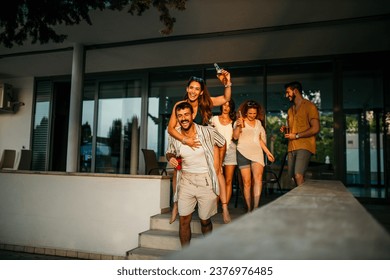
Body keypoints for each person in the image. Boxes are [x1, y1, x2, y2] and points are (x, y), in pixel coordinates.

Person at [167, 71, 232, 224]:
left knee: (218, 171)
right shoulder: (180, 106)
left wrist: (227, 83)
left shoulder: (206, 102)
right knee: (177, 172)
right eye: (191, 88)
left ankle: (225, 207)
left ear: (201, 91)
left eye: (197, 89)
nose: (193, 91)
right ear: (186, 88)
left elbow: (226, 98)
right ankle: (176, 205)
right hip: (185, 142)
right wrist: (184, 140)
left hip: (206, 142)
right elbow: (170, 129)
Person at [166, 102, 226, 246]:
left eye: (186, 114)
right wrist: (171, 158)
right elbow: (169, 151)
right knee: (184, 220)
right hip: (186, 181)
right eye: (180, 116)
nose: (183, 118)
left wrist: (218, 164)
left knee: (205, 220)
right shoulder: (175, 134)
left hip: (205, 181)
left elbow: (222, 142)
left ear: (192, 115)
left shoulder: (207, 131)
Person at [233, 100, 274, 212]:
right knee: (246, 182)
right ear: (246, 112)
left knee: (258, 179)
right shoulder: (239, 121)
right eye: (250, 113)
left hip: (256, 153)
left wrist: (267, 152)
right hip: (242, 152)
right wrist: (238, 126)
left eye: (254, 113)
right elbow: (235, 137)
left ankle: (255, 207)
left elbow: (259, 139)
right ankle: (249, 208)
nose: (252, 116)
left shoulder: (258, 123)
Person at [280, 81, 320, 186]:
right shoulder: (290, 110)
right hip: (291, 147)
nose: (286, 95)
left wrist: (296, 135)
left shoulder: (310, 106)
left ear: (295, 91)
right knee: (293, 177)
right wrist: (286, 130)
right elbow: (293, 129)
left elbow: (315, 128)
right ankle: (299, 198)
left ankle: (303, 201)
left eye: (288, 92)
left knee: (298, 174)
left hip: (304, 145)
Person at [211, 99, 237, 211]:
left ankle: (224, 205)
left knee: (228, 180)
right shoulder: (214, 119)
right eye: (224, 105)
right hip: (217, 150)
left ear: (231, 108)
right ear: (221, 107)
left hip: (231, 150)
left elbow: (236, 137)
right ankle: (215, 205)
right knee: (216, 178)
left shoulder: (234, 121)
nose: (226, 107)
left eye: (228, 106)